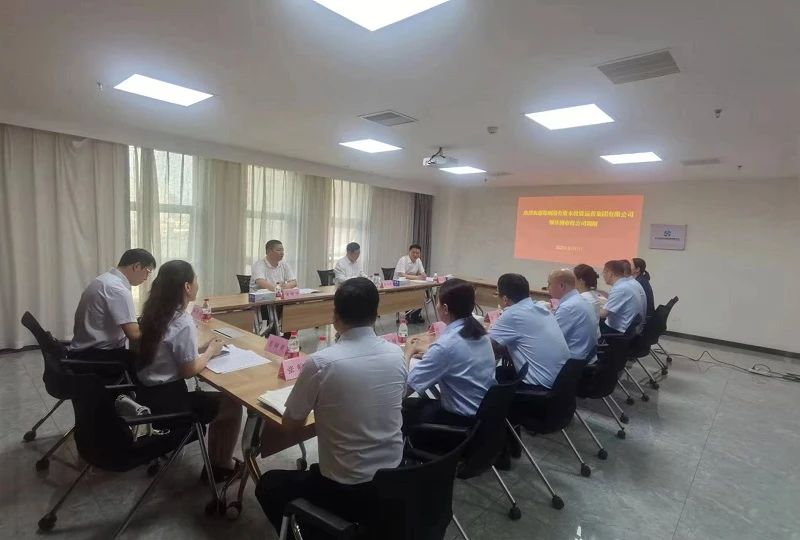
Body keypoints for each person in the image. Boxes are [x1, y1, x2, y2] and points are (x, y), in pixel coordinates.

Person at [255, 277, 407, 537]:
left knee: (269, 484)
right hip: (395, 479)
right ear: (376, 313)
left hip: (345, 488)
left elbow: (291, 424)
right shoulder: (397, 354)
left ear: (335, 315)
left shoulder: (321, 363)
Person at [135, 260, 243, 480]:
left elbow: (168, 348)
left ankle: (218, 462)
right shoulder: (182, 321)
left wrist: (199, 348)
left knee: (223, 402)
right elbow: (189, 370)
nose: (197, 284)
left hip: (147, 397)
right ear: (187, 286)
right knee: (232, 405)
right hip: (170, 404)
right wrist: (210, 352)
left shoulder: (154, 313)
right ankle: (222, 467)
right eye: (196, 280)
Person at [403, 279, 496, 430]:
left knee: (403, 407)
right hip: (484, 413)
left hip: (460, 421)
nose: (437, 306)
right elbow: (456, 353)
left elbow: (403, 390)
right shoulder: (480, 333)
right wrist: (431, 352)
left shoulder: (445, 346)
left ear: (445, 308)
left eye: (438, 302)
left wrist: (408, 353)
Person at [69, 248, 156, 364]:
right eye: (148, 271)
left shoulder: (103, 280)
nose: (146, 278)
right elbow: (134, 334)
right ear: (136, 266)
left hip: (83, 351)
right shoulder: (117, 289)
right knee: (147, 362)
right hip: (95, 356)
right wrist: (158, 327)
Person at [488, 273, 570, 389]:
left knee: (490, 379)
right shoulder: (541, 307)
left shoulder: (513, 314)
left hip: (539, 386)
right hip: (561, 382)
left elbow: (486, 346)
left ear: (505, 299)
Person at [547, 269, 599, 363]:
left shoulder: (568, 307)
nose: (548, 288)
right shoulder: (580, 300)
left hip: (571, 361)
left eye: (549, 284)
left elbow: (552, 339)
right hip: (583, 357)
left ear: (562, 286)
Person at [600, 260, 646, 335]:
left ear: (610, 274)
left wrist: (590, 308)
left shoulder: (620, 289)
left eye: (604, 272)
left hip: (618, 331)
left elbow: (603, 314)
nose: (603, 275)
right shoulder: (627, 283)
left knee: (590, 323)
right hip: (630, 328)